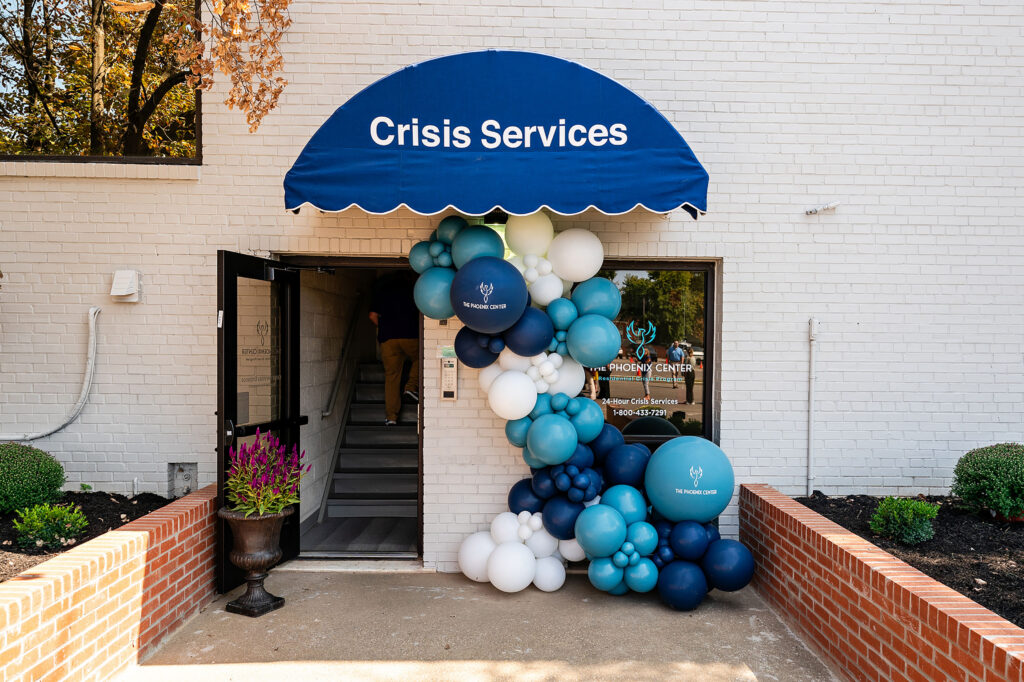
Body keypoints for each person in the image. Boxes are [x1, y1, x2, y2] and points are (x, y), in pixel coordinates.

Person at [369, 271, 419, 425]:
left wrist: (384, 327)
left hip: (388, 338)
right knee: (421, 358)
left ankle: (391, 417)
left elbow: (372, 315)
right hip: (410, 334)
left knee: (391, 377)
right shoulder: (414, 289)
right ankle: (410, 386)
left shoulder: (381, 292)